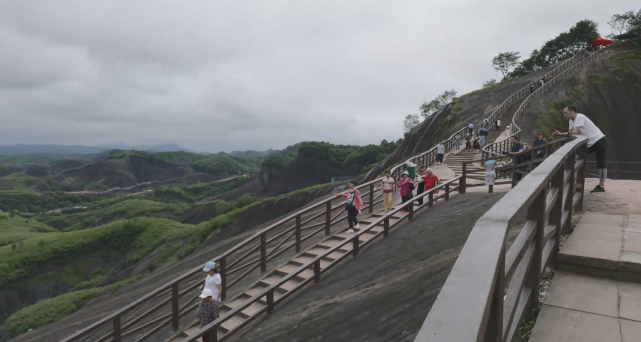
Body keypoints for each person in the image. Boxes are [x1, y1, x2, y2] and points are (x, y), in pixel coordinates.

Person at [553, 106, 608, 193]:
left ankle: (601, 186)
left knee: (601, 163)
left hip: (599, 140)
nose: (564, 115)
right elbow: (570, 133)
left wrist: (561, 134)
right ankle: (572, 177)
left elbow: (574, 132)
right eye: (564, 113)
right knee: (576, 153)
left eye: (566, 113)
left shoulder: (580, 117)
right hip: (590, 143)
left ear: (573, 111)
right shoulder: (571, 121)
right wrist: (561, 134)